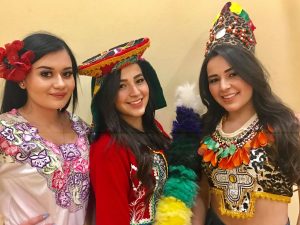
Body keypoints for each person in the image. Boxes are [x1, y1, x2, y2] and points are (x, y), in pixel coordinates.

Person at [191, 2, 300, 225]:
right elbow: (201, 194)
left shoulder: (285, 125)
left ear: (251, 73)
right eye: (214, 80)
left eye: (233, 74)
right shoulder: (206, 131)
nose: (224, 86)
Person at [0, 33, 90, 225]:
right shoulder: (4, 132)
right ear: (21, 79)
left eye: (67, 74)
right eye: (46, 74)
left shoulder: (82, 129)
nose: (60, 84)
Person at [78, 37, 171, 225]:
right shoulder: (107, 149)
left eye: (139, 80)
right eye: (122, 86)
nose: (135, 92)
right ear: (107, 96)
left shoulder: (154, 128)